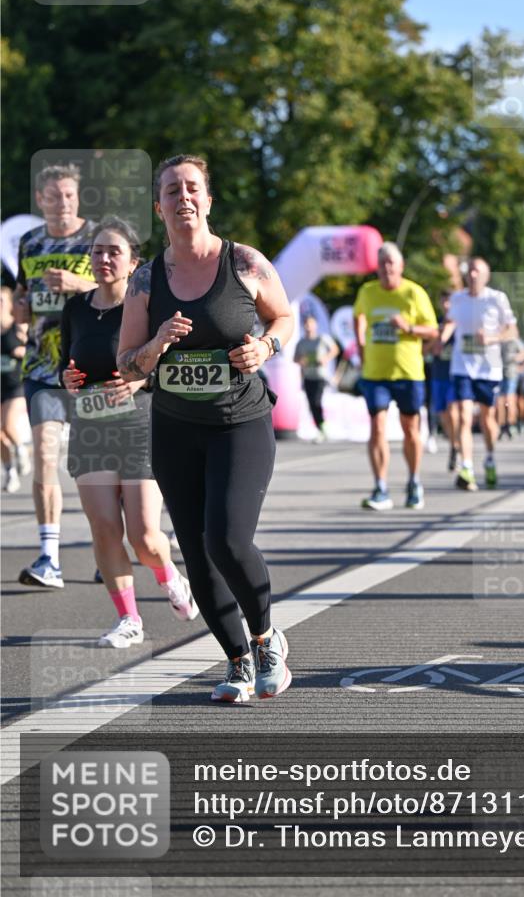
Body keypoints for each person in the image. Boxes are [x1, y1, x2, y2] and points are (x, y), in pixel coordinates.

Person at [117, 154, 294, 703]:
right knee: (194, 550)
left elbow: (284, 316)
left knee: (226, 537)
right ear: (159, 207)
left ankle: (266, 639)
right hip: (175, 429)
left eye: (192, 188)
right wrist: (158, 343)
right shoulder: (146, 279)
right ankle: (237, 662)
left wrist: (264, 346)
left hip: (240, 422)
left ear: (208, 201)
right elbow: (127, 364)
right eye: (171, 190)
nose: (183, 197)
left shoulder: (243, 262)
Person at [59, 217, 198, 639]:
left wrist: (140, 378)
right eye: (97, 251)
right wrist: (67, 379)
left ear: (133, 262)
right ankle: (129, 620)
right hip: (91, 425)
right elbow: (69, 362)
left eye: (113, 251)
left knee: (143, 537)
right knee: (103, 527)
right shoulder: (76, 308)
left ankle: (172, 578)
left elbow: (167, 364)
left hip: (138, 423)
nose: (103, 259)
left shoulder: (145, 305)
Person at [14, 164, 97, 588]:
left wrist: (77, 283)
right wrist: (21, 310)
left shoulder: (98, 238)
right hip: (44, 369)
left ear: (77, 197)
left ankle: (110, 547)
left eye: (68, 195)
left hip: (92, 367)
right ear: (41, 199)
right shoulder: (29, 244)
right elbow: (22, 298)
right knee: (46, 456)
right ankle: (50, 558)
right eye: (53, 196)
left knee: (96, 469)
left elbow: (121, 291)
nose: (62, 202)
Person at [353, 242, 438, 510]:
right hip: (376, 372)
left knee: (410, 429)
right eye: (382, 263)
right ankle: (381, 488)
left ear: (400, 266)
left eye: (391, 263)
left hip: (408, 372)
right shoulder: (368, 291)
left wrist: (408, 327)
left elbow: (433, 331)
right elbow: (359, 317)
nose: (386, 268)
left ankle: (414, 481)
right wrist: (361, 346)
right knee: (377, 425)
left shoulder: (414, 293)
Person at [442, 257, 517, 491]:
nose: (473, 275)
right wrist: (440, 339)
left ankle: (490, 457)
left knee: (487, 418)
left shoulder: (496, 299)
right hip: (462, 366)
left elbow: (512, 330)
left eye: (478, 272)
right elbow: (449, 323)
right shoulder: (457, 298)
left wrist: (493, 338)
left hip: (488, 367)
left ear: (486, 276)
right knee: (464, 416)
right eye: (470, 271)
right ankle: (467, 467)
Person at [426, 290, 460, 470]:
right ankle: (454, 443)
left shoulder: (460, 322)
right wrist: (435, 341)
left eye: (449, 302)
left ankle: (456, 447)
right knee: (443, 415)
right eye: (444, 302)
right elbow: (426, 349)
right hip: (439, 373)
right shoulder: (435, 322)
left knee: (453, 411)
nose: (446, 305)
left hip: (455, 374)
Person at [1, 286, 30, 492]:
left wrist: (22, 350)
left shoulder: (17, 327)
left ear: (10, 304)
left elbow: (33, 348)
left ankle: (21, 450)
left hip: (16, 385)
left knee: (9, 425)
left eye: (1, 300)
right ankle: (10, 471)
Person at [294, 315, 339, 442]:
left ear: (315, 325)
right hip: (308, 376)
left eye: (311, 324)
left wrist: (325, 358)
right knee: (311, 404)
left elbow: (335, 349)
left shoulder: (322, 338)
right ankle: (320, 428)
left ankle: (323, 428)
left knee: (317, 401)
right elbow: (295, 358)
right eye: (306, 324)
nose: (308, 327)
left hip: (320, 376)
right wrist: (301, 361)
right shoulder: (301, 342)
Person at [497, 334, 524, 440]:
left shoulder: (514, 340)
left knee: (510, 399)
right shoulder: (497, 338)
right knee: (500, 401)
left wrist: (517, 360)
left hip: (511, 374)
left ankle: (511, 424)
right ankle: (502, 425)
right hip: (498, 374)